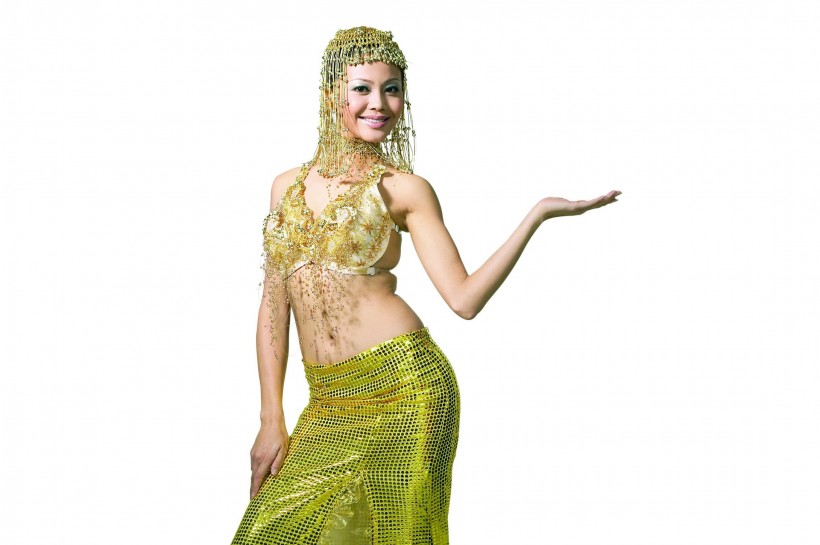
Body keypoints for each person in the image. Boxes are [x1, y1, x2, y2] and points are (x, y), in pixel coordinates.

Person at [230, 26, 620, 545]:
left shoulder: (405, 189)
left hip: (407, 390)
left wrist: (538, 215)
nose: (379, 104)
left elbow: (464, 299)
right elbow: (273, 308)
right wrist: (271, 417)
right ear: (330, 94)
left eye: (392, 90)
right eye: (362, 88)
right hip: (326, 400)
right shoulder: (287, 186)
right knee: (270, 533)